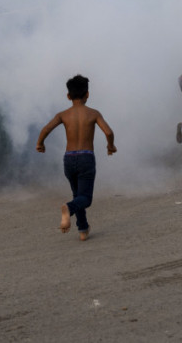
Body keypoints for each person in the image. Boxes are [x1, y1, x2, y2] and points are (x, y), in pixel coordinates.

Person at [36, 74, 116, 241]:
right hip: (86, 157)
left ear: (68, 96)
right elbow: (108, 132)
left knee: (78, 194)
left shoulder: (62, 115)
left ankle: (83, 228)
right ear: (87, 94)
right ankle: (69, 208)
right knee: (85, 198)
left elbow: (45, 129)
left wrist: (40, 144)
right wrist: (110, 146)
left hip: (69, 158)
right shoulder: (93, 113)